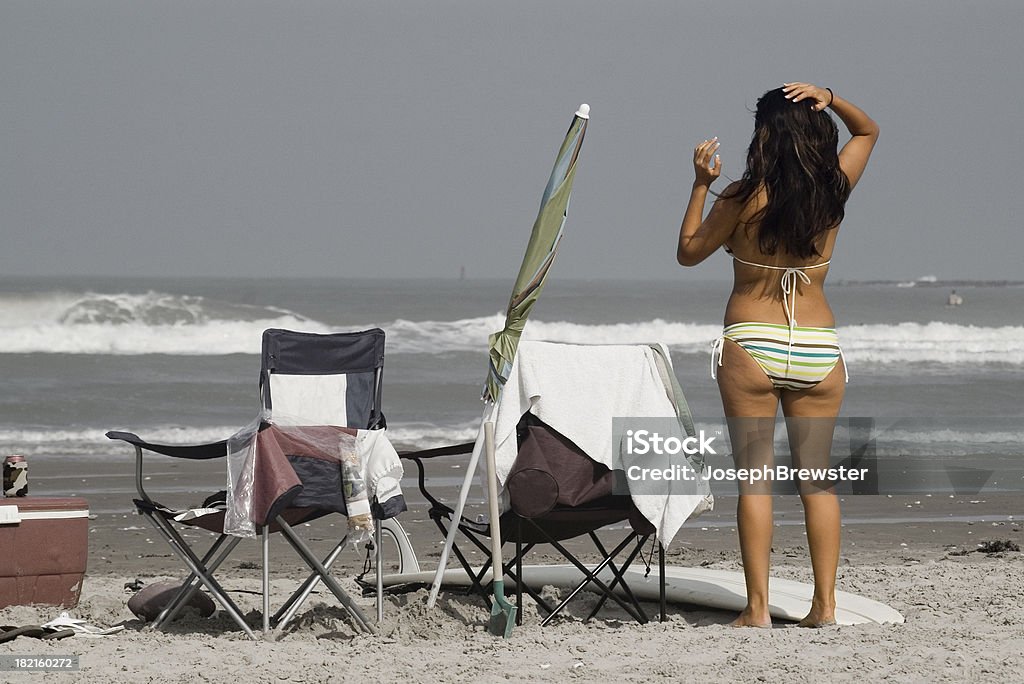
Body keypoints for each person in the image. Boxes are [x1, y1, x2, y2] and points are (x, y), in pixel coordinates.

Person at [676, 82, 878, 627]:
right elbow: (869, 130)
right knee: (817, 481)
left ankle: (759, 610)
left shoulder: (741, 196)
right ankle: (825, 608)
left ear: (763, 135)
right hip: (817, 346)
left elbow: (689, 253)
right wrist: (830, 95)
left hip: (752, 343)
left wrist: (700, 185)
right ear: (816, 129)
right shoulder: (833, 188)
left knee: (755, 480)